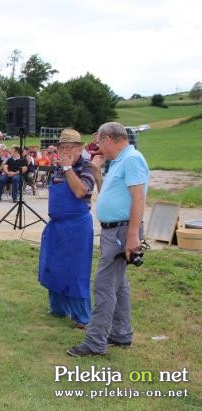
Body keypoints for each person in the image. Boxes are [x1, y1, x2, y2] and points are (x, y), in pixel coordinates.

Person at [68, 122, 149, 357]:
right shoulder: (118, 161)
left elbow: (138, 198)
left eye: (100, 143)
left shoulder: (132, 159)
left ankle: (95, 342)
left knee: (104, 285)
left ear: (109, 139)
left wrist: (133, 235)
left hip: (122, 231)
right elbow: (109, 194)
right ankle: (121, 333)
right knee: (119, 285)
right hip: (113, 230)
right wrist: (95, 171)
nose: (99, 148)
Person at [38, 129, 95, 330]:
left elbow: (81, 191)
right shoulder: (58, 169)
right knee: (53, 265)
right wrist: (63, 167)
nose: (65, 151)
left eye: (69, 147)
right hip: (57, 225)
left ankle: (81, 316)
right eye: (62, 147)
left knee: (76, 269)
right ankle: (58, 309)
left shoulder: (85, 167)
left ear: (79, 148)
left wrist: (69, 168)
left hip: (77, 226)